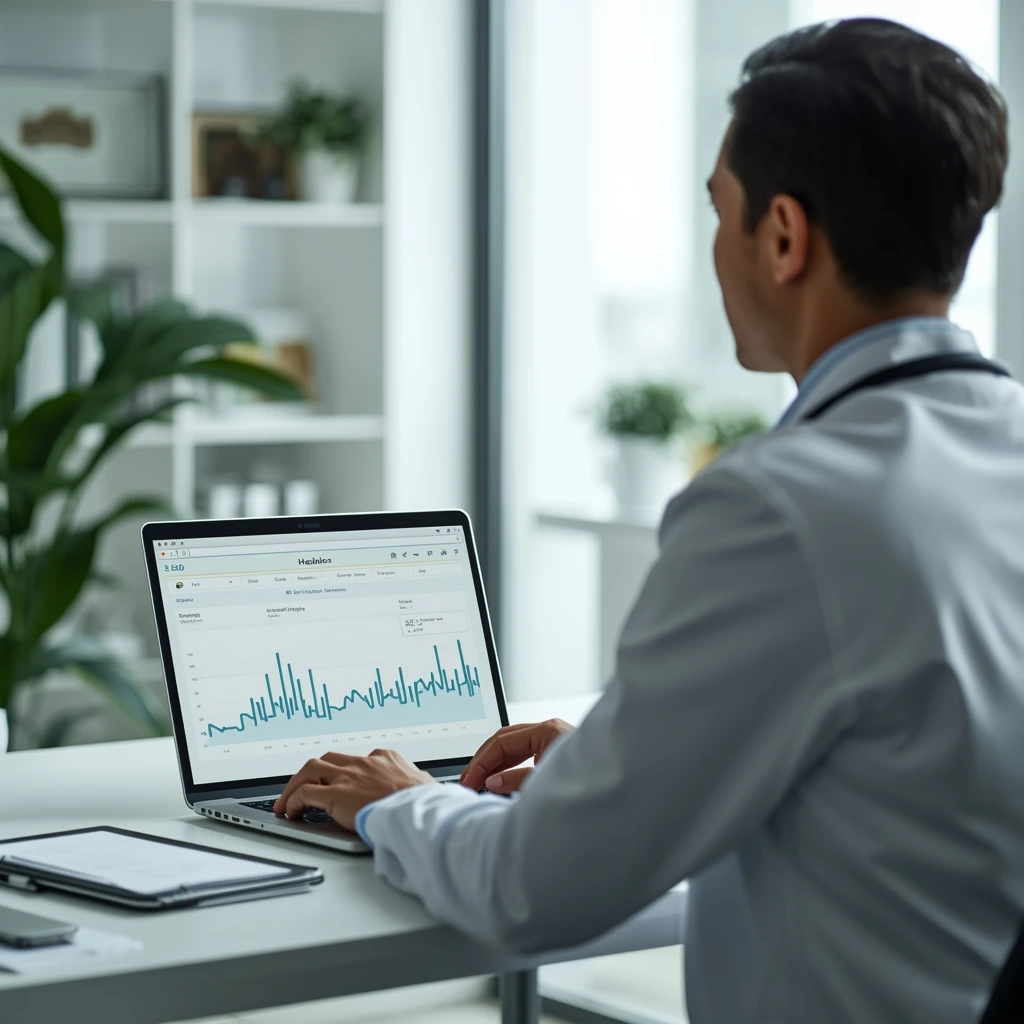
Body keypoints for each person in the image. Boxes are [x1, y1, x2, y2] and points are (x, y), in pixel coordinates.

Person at [274, 18, 1024, 1023]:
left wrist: (396, 799)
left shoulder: (782, 506)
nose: (713, 247)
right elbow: (920, 772)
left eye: (718, 210)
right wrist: (641, 757)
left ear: (785, 237)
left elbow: (533, 891)